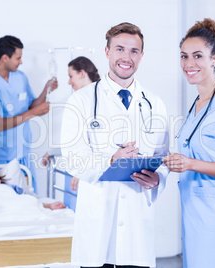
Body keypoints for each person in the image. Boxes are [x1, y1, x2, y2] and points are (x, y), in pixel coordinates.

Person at [61, 22, 169, 268]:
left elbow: (164, 156)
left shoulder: (155, 104)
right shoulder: (81, 101)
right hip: (98, 226)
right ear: (107, 51)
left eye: (133, 51)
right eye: (120, 49)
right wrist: (110, 160)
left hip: (137, 228)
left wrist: (158, 179)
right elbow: (72, 157)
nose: (126, 57)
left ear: (141, 56)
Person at [162, 18, 215, 268]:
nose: (189, 64)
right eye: (184, 56)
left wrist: (189, 163)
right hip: (192, 211)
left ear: (214, 59)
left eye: (198, 56)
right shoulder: (196, 106)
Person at [0, 35, 58, 195]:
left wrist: (46, 90)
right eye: (18, 58)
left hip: (23, 154)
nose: (21, 62)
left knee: (29, 201)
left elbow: (30, 105)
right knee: (3, 201)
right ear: (5, 58)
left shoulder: (20, 77)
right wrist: (33, 113)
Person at [42, 56, 100, 192]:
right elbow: (76, 141)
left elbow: (99, 143)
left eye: (71, 76)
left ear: (82, 73)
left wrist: (85, 170)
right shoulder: (79, 100)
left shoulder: (100, 99)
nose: (69, 82)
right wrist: (52, 151)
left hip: (95, 174)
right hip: (82, 170)